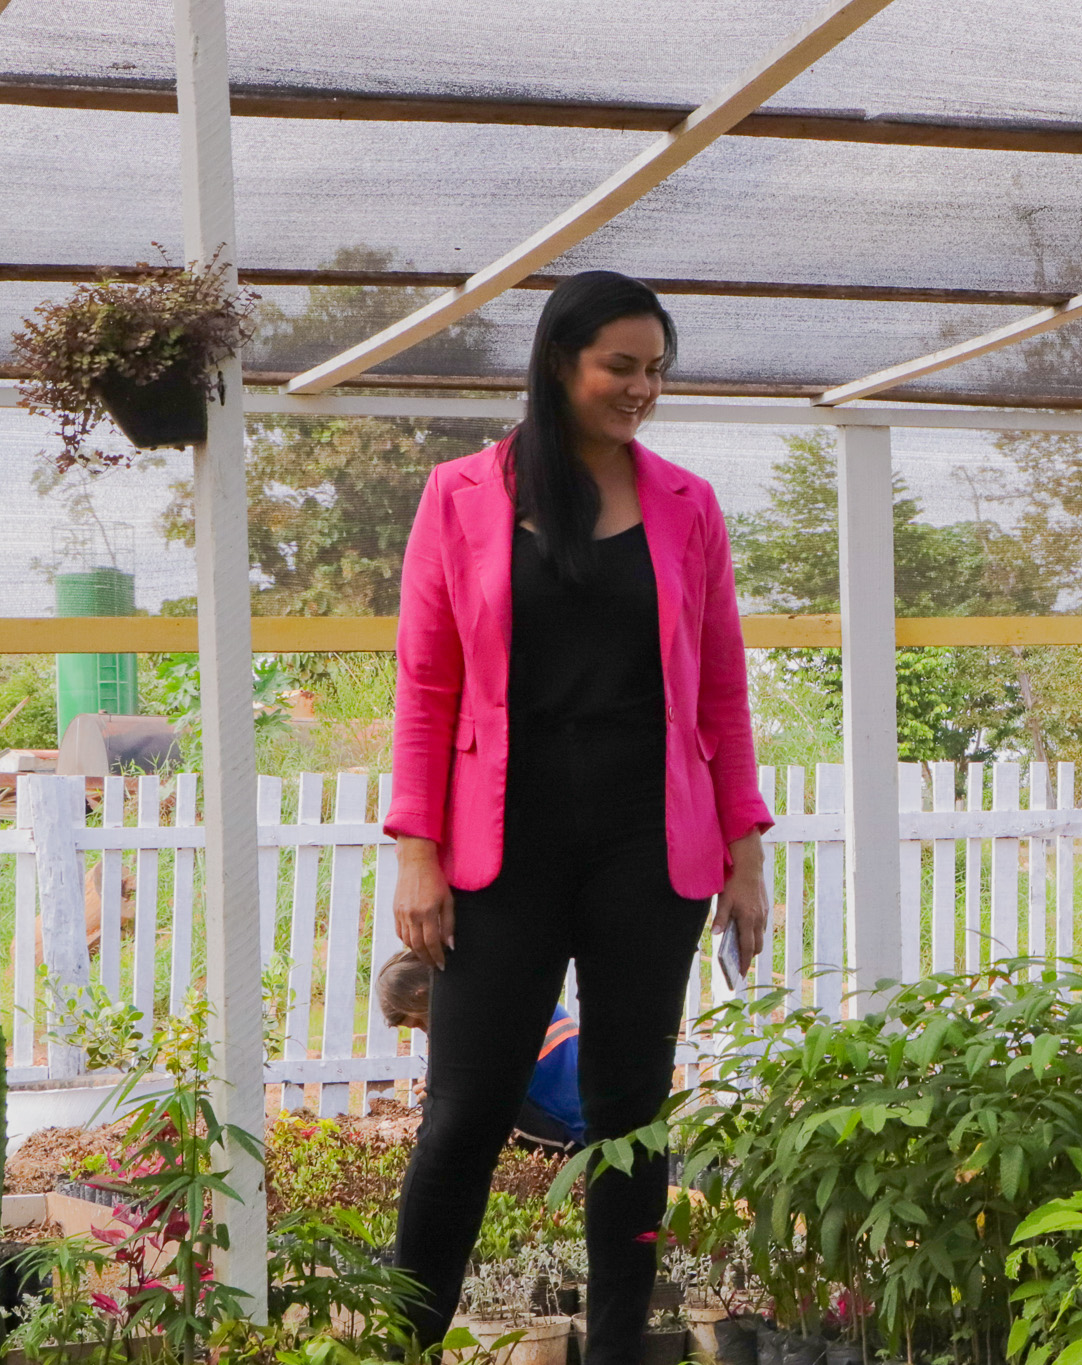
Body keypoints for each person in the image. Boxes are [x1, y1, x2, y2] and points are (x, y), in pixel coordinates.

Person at [380, 270, 773, 1362]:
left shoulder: (688, 506)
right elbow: (426, 684)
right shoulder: (459, 495)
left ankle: (614, 1351)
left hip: (649, 851)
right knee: (462, 1115)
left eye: (656, 370)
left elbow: (721, 693)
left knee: (630, 1119)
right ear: (562, 362)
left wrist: (744, 852)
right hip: (499, 853)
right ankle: (398, 1346)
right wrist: (418, 852)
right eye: (621, 367)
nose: (642, 388)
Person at [376, 948, 585, 1151]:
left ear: (420, 995)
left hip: (576, 1138)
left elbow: (469, 1097)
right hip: (586, 1121)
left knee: (467, 1103)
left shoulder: (475, 1023)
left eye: (421, 1023)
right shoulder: (496, 991)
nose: (427, 1031)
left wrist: (436, 1091)